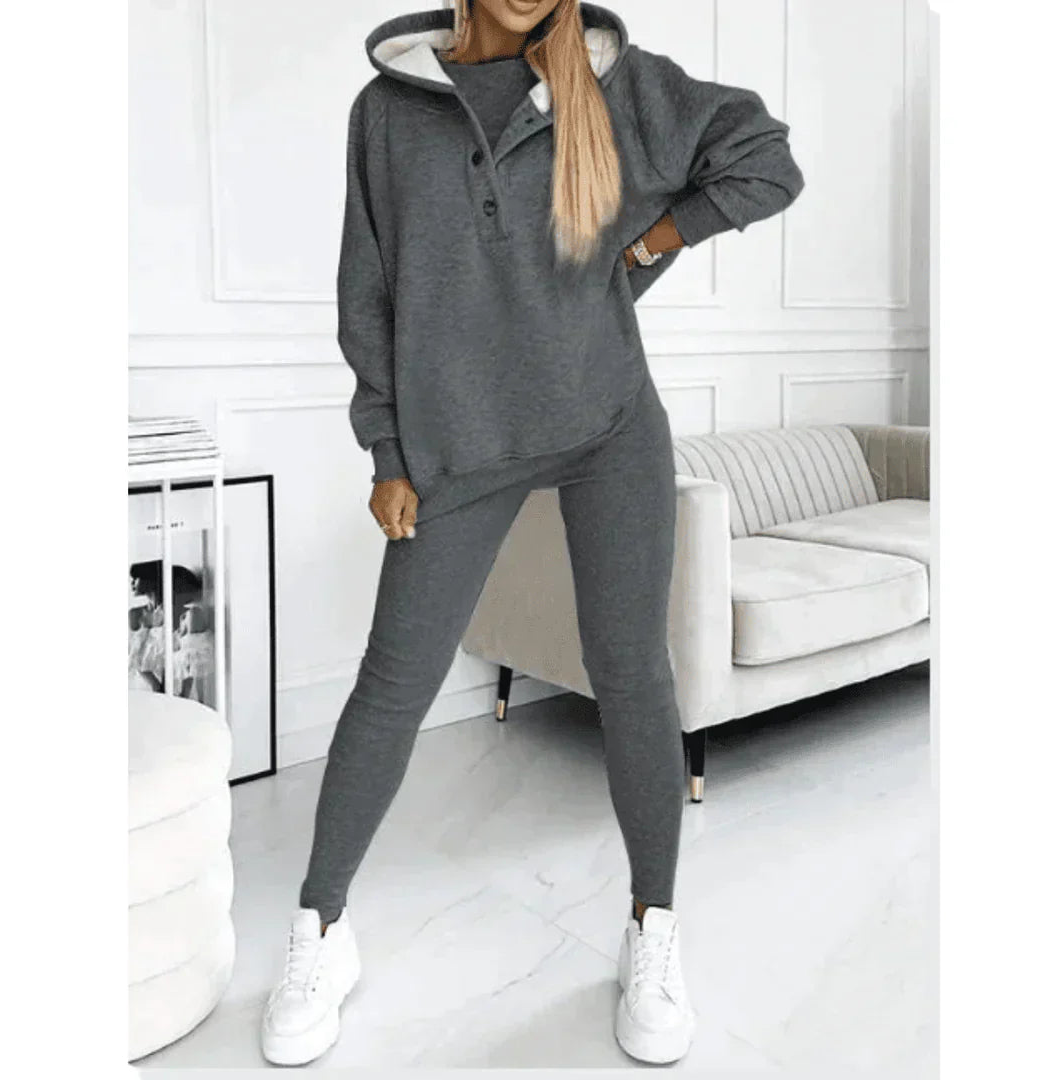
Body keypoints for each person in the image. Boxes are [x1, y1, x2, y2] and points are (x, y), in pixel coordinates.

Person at [260, 0, 803, 1067]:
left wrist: (657, 237)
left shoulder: (620, 85)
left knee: (633, 674)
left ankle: (652, 926)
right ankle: (320, 930)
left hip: (608, 425)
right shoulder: (387, 110)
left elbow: (766, 161)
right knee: (392, 684)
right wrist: (387, 451)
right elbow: (366, 288)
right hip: (458, 443)